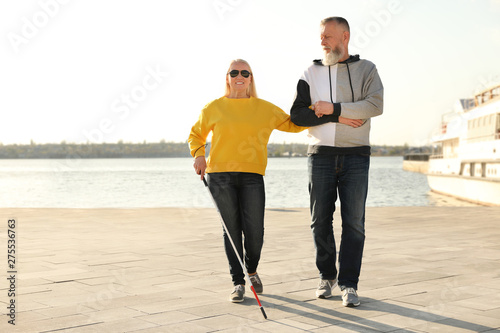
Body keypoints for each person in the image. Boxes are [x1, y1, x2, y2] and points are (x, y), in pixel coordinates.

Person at [188, 59, 306, 303]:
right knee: (231, 231)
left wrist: (316, 109)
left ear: (251, 78)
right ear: (228, 78)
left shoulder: (264, 108)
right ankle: (238, 283)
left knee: (255, 232)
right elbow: (196, 134)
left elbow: (293, 125)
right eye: (234, 72)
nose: (239, 76)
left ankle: (251, 269)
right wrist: (199, 155)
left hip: (252, 176)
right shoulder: (214, 107)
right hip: (219, 175)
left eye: (245, 72)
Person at [290, 16, 383, 307]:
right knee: (319, 222)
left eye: (328, 36)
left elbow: (375, 105)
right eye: (321, 37)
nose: (322, 42)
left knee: (354, 223)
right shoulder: (311, 72)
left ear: (345, 36)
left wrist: (334, 107)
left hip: (357, 155)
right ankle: (326, 275)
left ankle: (349, 284)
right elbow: (298, 115)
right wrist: (337, 115)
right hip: (320, 156)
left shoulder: (367, 69)